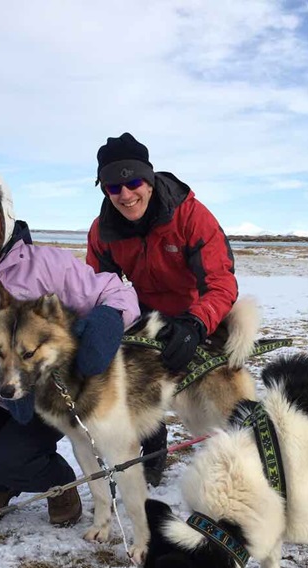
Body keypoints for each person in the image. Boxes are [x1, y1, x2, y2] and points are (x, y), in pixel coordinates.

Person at [0, 167, 140, 525]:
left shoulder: (48, 264)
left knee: (8, 458)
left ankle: (58, 483)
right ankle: (3, 485)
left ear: (5, 216)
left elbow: (115, 291)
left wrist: (108, 319)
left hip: (51, 392)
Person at [86, 132, 238, 486]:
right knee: (134, 384)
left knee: (215, 393)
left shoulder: (190, 216)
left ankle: (236, 448)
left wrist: (196, 324)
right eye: (112, 187)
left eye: (134, 181)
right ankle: (153, 450)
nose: (125, 195)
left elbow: (221, 282)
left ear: (149, 180)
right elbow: (98, 288)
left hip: (196, 312)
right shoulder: (103, 230)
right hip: (143, 314)